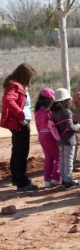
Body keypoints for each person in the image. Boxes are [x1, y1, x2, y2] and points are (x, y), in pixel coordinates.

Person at [1, 63, 38, 191]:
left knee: (17, 150)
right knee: (22, 152)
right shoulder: (16, 87)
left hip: (18, 123)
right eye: (30, 77)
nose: (31, 80)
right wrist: (20, 115)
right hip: (20, 123)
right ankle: (22, 181)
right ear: (25, 76)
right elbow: (8, 100)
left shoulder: (15, 85)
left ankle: (16, 178)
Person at [51, 88, 80, 190]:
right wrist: (78, 126)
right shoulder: (67, 112)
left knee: (63, 159)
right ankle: (68, 181)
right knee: (68, 160)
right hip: (68, 139)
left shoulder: (54, 112)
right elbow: (70, 127)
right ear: (66, 101)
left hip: (59, 140)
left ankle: (64, 180)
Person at [34, 88, 61, 188]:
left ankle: (47, 181)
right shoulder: (48, 112)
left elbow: (37, 125)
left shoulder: (37, 111)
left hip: (41, 135)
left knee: (48, 158)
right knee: (58, 157)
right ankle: (56, 178)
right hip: (49, 135)